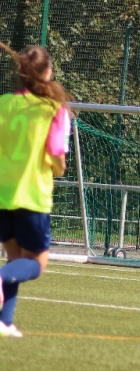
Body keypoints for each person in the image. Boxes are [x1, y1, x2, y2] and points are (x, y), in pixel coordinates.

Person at [0, 43, 72, 338]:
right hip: (32, 196)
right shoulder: (53, 108)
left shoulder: (3, 103)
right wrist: (59, 168)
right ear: (47, 72)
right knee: (36, 263)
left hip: (3, 195)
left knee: (15, 260)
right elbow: (56, 152)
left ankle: (4, 322)